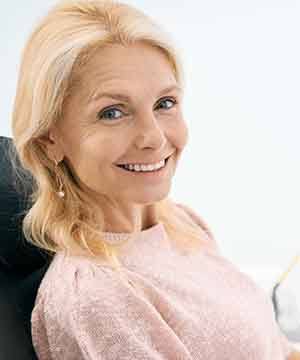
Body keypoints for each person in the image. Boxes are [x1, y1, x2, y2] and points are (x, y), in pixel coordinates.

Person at [10, 0, 298, 358]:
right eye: (112, 112)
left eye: (165, 103)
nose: (154, 138)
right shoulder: (97, 298)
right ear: (50, 139)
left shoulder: (182, 225)